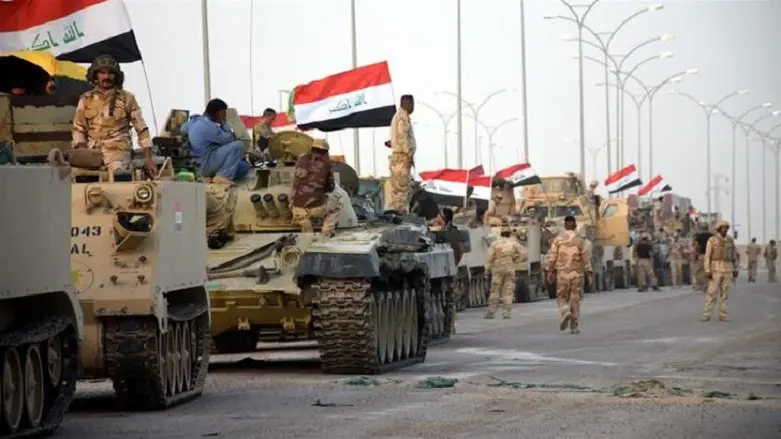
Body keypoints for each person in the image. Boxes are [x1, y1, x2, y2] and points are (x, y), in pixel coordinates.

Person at [72, 54, 154, 176]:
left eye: (110, 73)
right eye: (102, 73)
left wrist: (148, 158)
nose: (106, 77)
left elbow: (142, 129)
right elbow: (78, 128)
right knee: (77, 176)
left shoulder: (127, 98)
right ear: (95, 75)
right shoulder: (86, 99)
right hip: (92, 153)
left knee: (118, 176)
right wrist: (82, 150)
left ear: (116, 76)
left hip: (118, 152)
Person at [180, 98, 249, 184]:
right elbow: (230, 140)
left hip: (195, 164)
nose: (225, 116)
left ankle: (214, 176)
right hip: (205, 164)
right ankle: (223, 177)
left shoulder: (193, 122)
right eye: (224, 113)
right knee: (238, 146)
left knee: (243, 167)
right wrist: (224, 123)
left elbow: (182, 129)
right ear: (218, 113)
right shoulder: (210, 126)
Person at [546, 215, 592, 334]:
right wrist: (589, 273)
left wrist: (550, 271)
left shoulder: (558, 240)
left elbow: (552, 257)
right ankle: (574, 326)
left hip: (562, 274)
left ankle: (565, 310)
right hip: (576, 274)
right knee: (575, 299)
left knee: (561, 297)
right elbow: (586, 258)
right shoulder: (580, 240)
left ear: (565, 226)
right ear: (575, 225)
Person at [291, 138, 343, 237]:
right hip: (315, 209)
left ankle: (306, 230)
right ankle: (327, 231)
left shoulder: (300, 159)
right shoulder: (326, 163)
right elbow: (330, 187)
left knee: (299, 204)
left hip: (297, 209)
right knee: (339, 200)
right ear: (325, 152)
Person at [484, 224, 524, 320]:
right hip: (509, 267)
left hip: (497, 268)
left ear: (501, 233)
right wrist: (516, 261)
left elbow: (489, 257)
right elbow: (523, 254)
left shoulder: (495, 243)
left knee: (495, 290)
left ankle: (491, 312)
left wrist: (486, 270)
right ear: (509, 233)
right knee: (508, 290)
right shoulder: (513, 243)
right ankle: (506, 312)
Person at [385, 95, 416, 213]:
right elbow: (402, 138)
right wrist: (408, 155)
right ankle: (400, 213)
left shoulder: (399, 117)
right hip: (402, 158)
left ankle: (399, 211)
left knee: (398, 187)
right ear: (407, 104)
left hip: (399, 157)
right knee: (401, 189)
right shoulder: (402, 118)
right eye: (412, 104)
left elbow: (398, 137)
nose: (413, 107)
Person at [702, 220, 738, 322]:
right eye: (723, 228)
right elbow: (707, 256)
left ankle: (723, 315)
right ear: (719, 229)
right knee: (712, 293)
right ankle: (706, 315)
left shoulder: (730, 240)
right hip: (715, 269)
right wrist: (707, 270)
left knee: (724, 294)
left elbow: (734, 255)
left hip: (727, 268)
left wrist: (735, 268)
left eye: (726, 228)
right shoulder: (712, 240)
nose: (725, 230)